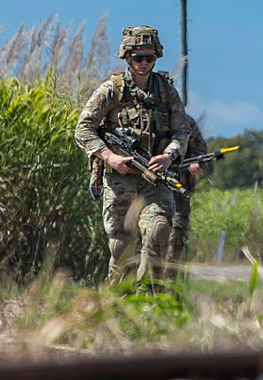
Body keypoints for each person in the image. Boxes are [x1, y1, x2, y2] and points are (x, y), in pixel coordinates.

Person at [75, 25, 189, 284]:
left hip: (155, 178)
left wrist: (169, 156)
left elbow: (181, 132)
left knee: (159, 230)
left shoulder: (166, 91)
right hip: (120, 177)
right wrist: (109, 157)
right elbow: (83, 129)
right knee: (120, 246)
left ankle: (150, 292)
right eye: (138, 57)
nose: (144, 63)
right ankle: (115, 300)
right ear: (127, 57)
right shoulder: (111, 90)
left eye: (150, 57)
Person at [165, 114, 208, 271]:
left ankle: (169, 288)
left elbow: (200, 151)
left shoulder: (185, 121)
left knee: (175, 239)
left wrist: (198, 163)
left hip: (178, 191)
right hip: (145, 189)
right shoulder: (139, 113)